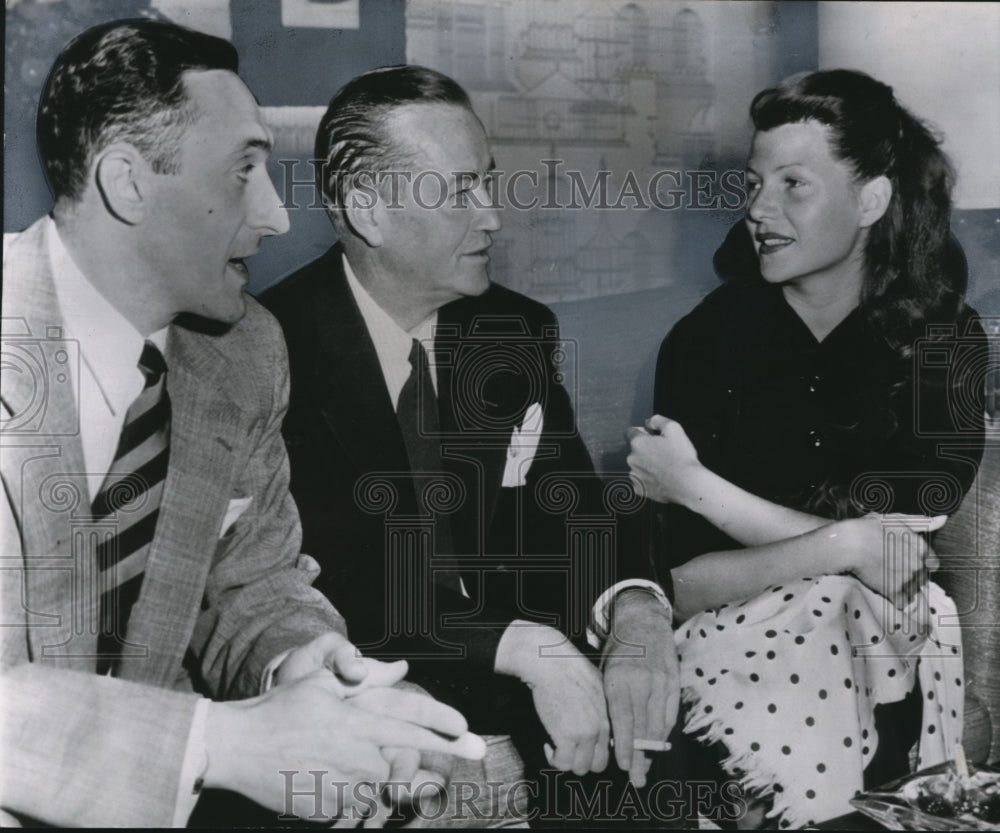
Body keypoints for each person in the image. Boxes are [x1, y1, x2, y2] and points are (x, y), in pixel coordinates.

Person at [0, 21, 486, 828]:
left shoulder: (245, 352)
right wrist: (218, 742)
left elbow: (249, 578)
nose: (277, 217)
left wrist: (303, 664)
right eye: (245, 172)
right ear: (128, 183)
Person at [260, 65, 680, 826]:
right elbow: (323, 583)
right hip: (385, 691)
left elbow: (576, 507)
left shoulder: (512, 330)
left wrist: (638, 610)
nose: (492, 217)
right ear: (368, 209)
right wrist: (517, 644)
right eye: (460, 191)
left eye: (488, 183)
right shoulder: (267, 350)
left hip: (543, 719)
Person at [628, 69, 987, 827]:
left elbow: (900, 567)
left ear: (872, 200)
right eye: (756, 183)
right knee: (828, 598)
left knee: (841, 602)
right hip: (731, 656)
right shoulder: (702, 342)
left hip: (889, 646)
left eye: (794, 183)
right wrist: (845, 543)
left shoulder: (942, 340)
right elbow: (683, 583)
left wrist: (699, 489)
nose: (760, 208)